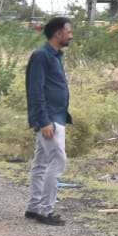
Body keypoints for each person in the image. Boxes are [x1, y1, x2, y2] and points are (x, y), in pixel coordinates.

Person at [24, 16, 74, 225]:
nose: (71, 35)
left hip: (56, 116)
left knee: (42, 163)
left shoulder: (55, 56)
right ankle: (45, 210)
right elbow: (35, 91)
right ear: (57, 33)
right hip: (50, 119)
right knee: (57, 161)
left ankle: (34, 207)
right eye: (68, 31)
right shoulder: (41, 56)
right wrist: (44, 121)